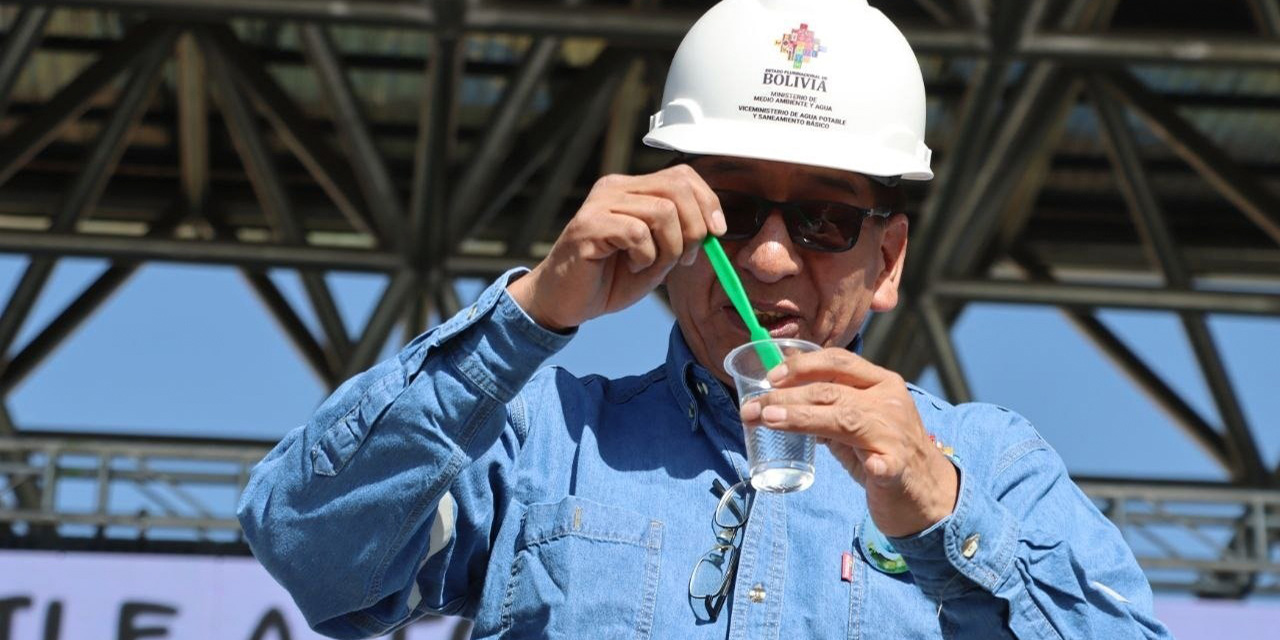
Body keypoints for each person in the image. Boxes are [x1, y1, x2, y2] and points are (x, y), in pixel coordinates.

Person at [237, 0, 1172, 638]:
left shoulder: (993, 468)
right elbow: (309, 549)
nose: (769, 256)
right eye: (730, 208)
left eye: (823, 219)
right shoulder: (544, 436)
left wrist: (942, 512)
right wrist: (531, 313)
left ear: (886, 261)